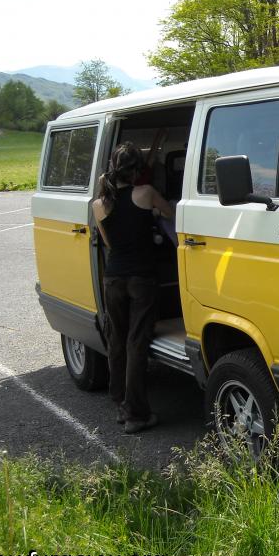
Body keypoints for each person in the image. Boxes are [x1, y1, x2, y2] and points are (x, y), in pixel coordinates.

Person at [92, 142, 175, 434]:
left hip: (113, 278)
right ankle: (136, 414)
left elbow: (109, 243)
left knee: (116, 340)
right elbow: (169, 213)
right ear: (137, 169)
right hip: (142, 278)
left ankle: (121, 404)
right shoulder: (146, 193)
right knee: (136, 343)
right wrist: (152, 216)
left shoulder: (99, 204)